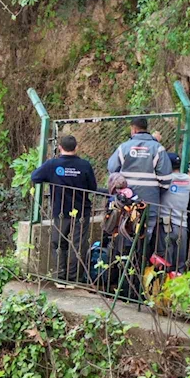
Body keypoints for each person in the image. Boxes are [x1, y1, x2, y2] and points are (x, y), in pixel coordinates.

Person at [31, 135, 97, 287]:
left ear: (60, 147)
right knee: (78, 244)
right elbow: (92, 187)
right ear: (76, 148)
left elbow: (35, 177)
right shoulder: (84, 165)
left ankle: (61, 276)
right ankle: (74, 278)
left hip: (60, 211)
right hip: (81, 212)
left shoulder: (53, 164)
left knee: (58, 243)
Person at [108, 117, 172, 235]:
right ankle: (143, 253)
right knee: (146, 233)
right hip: (150, 202)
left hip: (126, 202)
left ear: (133, 129)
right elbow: (166, 178)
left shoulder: (124, 147)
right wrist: (156, 192)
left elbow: (112, 169)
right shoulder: (158, 148)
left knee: (125, 231)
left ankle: (125, 253)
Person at [156, 153, 190, 273]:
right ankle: (177, 290)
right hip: (182, 226)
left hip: (166, 226)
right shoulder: (187, 180)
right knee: (180, 265)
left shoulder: (166, 179)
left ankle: (164, 289)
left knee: (165, 263)